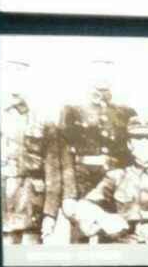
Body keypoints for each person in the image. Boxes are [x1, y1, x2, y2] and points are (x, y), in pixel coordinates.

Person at [59, 59, 137, 241]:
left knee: (116, 235)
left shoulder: (125, 112)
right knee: (82, 235)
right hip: (83, 182)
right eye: (98, 71)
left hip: (116, 183)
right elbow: (65, 153)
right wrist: (69, 193)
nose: (102, 77)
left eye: (107, 71)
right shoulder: (73, 109)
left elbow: (130, 154)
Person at [0, 60, 61, 244]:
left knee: (29, 252)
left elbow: (53, 170)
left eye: (21, 80)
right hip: (0, 200)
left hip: (31, 205)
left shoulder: (43, 120)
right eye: (11, 79)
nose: (15, 88)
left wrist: (50, 213)